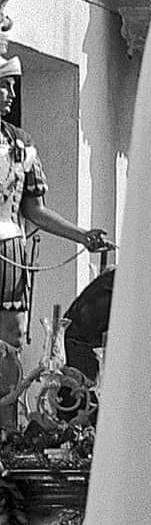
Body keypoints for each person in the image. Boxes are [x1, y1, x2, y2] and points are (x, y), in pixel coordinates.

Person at [0, 54, 108, 420]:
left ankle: (7, 431)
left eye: (13, 85)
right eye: (4, 85)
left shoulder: (21, 145)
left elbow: (35, 210)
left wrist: (82, 236)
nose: (12, 93)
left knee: (11, 343)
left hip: (11, 252)